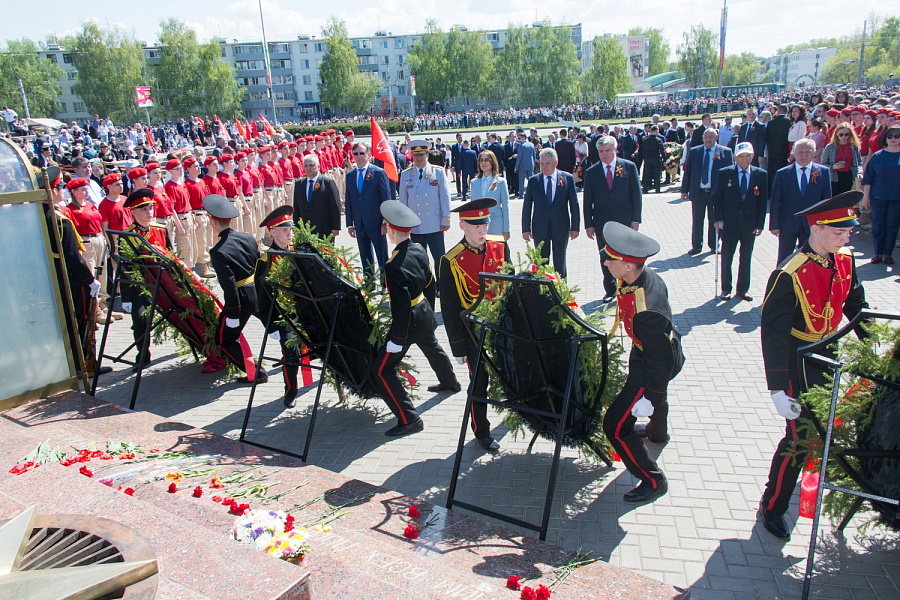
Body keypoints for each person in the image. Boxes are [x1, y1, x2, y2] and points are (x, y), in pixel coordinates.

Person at [758, 191, 869, 540]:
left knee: (825, 428)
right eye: (840, 232)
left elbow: (857, 305)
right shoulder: (789, 273)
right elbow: (773, 333)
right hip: (796, 361)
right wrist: (777, 388)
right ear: (817, 229)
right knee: (799, 438)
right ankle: (773, 503)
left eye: (849, 231)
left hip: (827, 353)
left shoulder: (845, 259)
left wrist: (874, 340)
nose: (848, 237)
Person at [600, 222, 683, 503]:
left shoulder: (646, 312)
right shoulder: (643, 276)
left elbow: (661, 364)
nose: (606, 262)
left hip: (653, 363)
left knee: (615, 425)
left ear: (627, 267)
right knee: (648, 408)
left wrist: (651, 396)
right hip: (653, 347)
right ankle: (657, 434)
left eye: (611, 259)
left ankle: (653, 480)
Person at [372, 201, 461, 436]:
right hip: (423, 311)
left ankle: (409, 419)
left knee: (381, 370)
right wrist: (429, 312)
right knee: (432, 347)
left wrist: (397, 339)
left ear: (391, 231)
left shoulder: (393, 265)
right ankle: (451, 382)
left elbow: (400, 307)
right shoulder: (420, 249)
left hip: (407, 322)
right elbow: (431, 282)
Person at [439, 198, 506, 452]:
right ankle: (482, 431)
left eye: (485, 223)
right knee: (479, 381)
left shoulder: (499, 247)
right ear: (462, 225)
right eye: (475, 225)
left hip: (500, 326)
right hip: (472, 332)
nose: (482, 230)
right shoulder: (451, 261)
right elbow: (450, 307)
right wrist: (458, 348)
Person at [204, 194, 267, 384]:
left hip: (241, 300)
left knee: (224, 340)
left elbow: (229, 285)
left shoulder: (218, 251)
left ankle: (256, 373)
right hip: (258, 293)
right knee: (276, 327)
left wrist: (232, 313)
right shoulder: (247, 237)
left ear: (213, 223)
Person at [583, 135, 642, 303]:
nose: (604, 154)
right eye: (601, 151)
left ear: (615, 149)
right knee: (606, 257)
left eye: (608, 150)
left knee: (626, 256)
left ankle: (627, 287)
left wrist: (636, 219)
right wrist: (589, 224)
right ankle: (610, 289)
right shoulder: (592, 172)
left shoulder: (629, 167)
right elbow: (588, 201)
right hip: (602, 223)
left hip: (624, 222)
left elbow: (636, 195)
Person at [119, 188, 174, 370]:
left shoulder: (160, 229)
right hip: (141, 287)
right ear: (133, 212)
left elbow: (172, 258)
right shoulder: (127, 236)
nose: (149, 211)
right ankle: (143, 354)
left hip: (164, 284)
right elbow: (125, 269)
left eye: (150, 207)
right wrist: (126, 298)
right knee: (141, 321)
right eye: (143, 209)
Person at [255, 206, 302, 407]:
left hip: (305, 311)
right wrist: (271, 325)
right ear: (272, 232)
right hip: (283, 316)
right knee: (290, 352)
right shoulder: (265, 260)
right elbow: (261, 298)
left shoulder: (299, 253)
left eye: (290, 229)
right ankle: (291, 390)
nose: (289, 234)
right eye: (284, 230)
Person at [711, 143, 769, 301]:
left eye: (748, 156)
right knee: (727, 257)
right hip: (729, 224)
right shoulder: (724, 173)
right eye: (741, 156)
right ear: (735, 157)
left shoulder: (761, 174)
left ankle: (742, 289)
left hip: (749, 225)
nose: (745, 159)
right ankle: (726, 289)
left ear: (753, 156)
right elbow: (717, 198)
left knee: (746, 258)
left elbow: (763, 203)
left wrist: (760, 224)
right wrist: (718, 219)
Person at [398, 140, 452, 295]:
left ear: (427, 155)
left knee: (439, 257)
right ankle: (422, 285)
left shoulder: (438, 172)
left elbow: (445, 197)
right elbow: (403, 202)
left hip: (435, 224)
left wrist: (446, 219)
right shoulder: (406, 175)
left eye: (422, 154)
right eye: (415, 155)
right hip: (416, 225)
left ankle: (442, 286)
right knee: (418, 259)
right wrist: (404, 225)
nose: (419, 158)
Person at [769, 139, 832, 263]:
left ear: (814, 153)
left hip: (812, 225)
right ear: (794, 153)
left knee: (811, 259)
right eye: (800, 152)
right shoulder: (782, 173)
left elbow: (826, 201)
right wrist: (774, 225)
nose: (804, 155)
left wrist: (826, 224)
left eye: (807, 152)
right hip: (788, 223)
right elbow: (775, 201)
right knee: (784, 259)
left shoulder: (823, 173)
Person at [522, 148, 579, 278]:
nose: (544, 167)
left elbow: (574, 205)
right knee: (541, 263)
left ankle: (561, 292)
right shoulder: (533, 181)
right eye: (542, 164)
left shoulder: (567, 179)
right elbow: (527, 207)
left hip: (561, 227)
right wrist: (525, 229)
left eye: (547, 164)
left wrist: (575, 227)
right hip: (540, 227)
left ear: (556, 163)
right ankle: (542, 293)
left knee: (560, 261)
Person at [681, 129, 734, 255]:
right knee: (697, 220)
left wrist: (730, 193)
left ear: (716, 137)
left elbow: (731, 174)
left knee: (715, 220)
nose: (708, 139)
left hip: (716, 193)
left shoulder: (725, 152)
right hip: (698, 192)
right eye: (706, 137)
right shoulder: (695, 152)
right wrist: (684, 190)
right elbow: (688, 172)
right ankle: (696, 246)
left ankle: (714, 245)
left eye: (711, 137)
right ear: (703, 138)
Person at [345, 142, 391, 283]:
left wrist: (385, 222)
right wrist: (349, 224)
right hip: (359, 223)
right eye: (356, 154)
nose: (359, 156)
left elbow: (386, 199)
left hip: (377, 223)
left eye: (362, 153)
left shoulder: (378, 173)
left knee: (382, 255)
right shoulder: (350, 175)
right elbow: (349, 201)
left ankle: (385, 283)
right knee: (365, 255)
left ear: (369, 155)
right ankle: (369, 283)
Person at [860, 124, 900, 265]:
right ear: (885, 138)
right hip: (878, 196)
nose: (893, 139)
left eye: (897, 136)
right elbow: (868, 178)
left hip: (896, 198)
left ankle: (888, 253)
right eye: (890, 136)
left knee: (892, 225)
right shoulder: (878, 156)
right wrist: (866, 196)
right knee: (878, 225)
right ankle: (878, 253)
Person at [470, 151, 511, 260]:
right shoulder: (474, 182)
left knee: (499, 256)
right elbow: (472, 206)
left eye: (487, 160)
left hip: (496, 224)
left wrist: (506, 229)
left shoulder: (500, 182)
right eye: (481, 160)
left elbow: (506, 207)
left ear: (493, 162)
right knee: (483, 255)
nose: (484, 163)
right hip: (480, 225)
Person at [293, 154, 341, 239]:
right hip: (305, 230)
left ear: (318, 166)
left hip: (324, 229)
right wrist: (296, 227)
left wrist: (336, 227)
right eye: (306, 166)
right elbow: (296, 208)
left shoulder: (328, 183)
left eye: (311, 165)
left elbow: (335, 206)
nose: (308, 168)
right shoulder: (299, 185)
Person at [820, 123, 862, 196]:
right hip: (834, 177)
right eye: (841, 134)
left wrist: (859, 173)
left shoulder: (854, 147)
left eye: (846, 134)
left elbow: (859, 163)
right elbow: (823, 165)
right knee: (834, 200)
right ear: (836, 134)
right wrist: (833, 167)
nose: (844, 137)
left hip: (848, 176)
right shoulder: (830, 147)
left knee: (846, 200)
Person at [765, 104, 792, 192]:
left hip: (772, 149)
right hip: (783, 149)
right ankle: (777, 190)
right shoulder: (789, 122)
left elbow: (767, 136)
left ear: (778, 111)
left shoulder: (771, 122)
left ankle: (769, 190)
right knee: (779, 170)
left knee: (771, 170)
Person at [640, 125, 666, 193]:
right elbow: (662, 151)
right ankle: (657, 189)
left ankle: (645, 188)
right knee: (657, 174)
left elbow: (643, 150)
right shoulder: (658, 140)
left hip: (648, 158)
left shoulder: (646, 140)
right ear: (656, 131)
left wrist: (645, 158)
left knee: (647, 174)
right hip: (656, 158)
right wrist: (664, 160)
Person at [513, 131, 535, 198]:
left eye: (519, 138)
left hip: (522, 165)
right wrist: (533, 163)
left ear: (523, 138)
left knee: (521, 180)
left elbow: (519, 157)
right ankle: (533, 193)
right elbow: (534, 155)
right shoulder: (531, 145)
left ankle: (521, 194)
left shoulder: (521, 146)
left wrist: (516, 167)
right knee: (531, 180)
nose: (519, 139)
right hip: (530, 164)